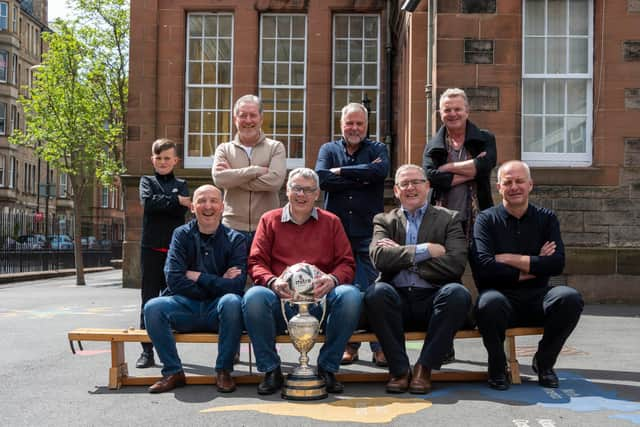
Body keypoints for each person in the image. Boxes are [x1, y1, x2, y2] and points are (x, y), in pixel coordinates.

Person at [242, 168, 361, 396]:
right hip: (281, 300)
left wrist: (332, 279)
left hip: (320, 302)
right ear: (286, 191)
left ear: (317, 194)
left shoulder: (332, 222)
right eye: (296, 188)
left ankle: (327, 368)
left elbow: (347, 263)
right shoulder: (270, 220)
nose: (301, 195)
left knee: (351, 296)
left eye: (308, 190)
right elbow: (256, 261)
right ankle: (270, 370)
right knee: (254, 297)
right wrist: (272, 281)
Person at [470, 160, 583, 390]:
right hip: (499, 297)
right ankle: (497, 365)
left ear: (530, 184)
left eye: (519, 181)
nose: (514, 187)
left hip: (538, 297)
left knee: (569, 298)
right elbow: (484, 267)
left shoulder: (546, 218)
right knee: (488, 303)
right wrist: (535, 263)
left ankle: (544, 362)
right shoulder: (485, 220)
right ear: (499, 187)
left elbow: (557, 263)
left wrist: (506, 258)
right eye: (508, 182)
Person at [364, 164, 470, 394]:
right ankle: (400, 370)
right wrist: (426, 250)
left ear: (428, 186)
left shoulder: (449, 219)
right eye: (404, 183)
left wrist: (401, 254)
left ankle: (424, 368)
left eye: (416, 182)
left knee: (457, 294)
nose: (410, 188)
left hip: (433, 298)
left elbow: (456, 263)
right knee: (376, 293)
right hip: (397, 299)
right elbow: (379, 259)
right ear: (396, 190)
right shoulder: (383, 220)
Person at [143, 185, 247, 393]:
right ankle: (173, 372)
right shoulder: (181, 235)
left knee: (232, 302)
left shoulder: (236, 240)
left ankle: (224, 370)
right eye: (201, 201)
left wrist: (198, 276)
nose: (207, 206)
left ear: (222, 207)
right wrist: (217, 282)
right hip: (185, 306)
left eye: (213, 201)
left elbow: (236, 285)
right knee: (153, 307)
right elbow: (173, 278)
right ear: (192, 207)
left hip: (217, 310)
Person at [315, 102, 390, 367]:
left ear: (367, 126)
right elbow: (321, 179)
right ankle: (349, 344)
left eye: (359, 123)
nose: (354, 128)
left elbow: (380, 171)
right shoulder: (328, 149)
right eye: (350, 123)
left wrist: (342, 172)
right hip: (337, 233)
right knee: (342, 290)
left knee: (373, 290)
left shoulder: (378, 149)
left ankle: (381, 346)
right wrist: (362, 177)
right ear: (341, 124)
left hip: (369, 232)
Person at [136, 138, 190, 369]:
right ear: (152, 159)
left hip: (175, 252)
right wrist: (176, 201)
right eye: (158, 158)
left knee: (171, 300)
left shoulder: (182, 182)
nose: (163, 162)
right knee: (148, 299)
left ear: (175, 160)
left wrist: (172, 202)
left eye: (167, 158)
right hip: (151, 250)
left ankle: (168, 349)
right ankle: (146, 351)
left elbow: (178, 209)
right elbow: (149, 204)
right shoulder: (146, 181)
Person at [212, 94, 287, 247]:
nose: (248, 120)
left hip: (267, 226)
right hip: (231, 227)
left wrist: (234, 178)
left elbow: (275, 182)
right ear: (235, 119)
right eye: (242, 115)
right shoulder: (224, 149)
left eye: (253, 115)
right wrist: (255, 170)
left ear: (261, 118)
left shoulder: (275, 147)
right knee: (234, 271)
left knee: (263, 271)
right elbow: (219, 179)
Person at [422, 88, 497, 239]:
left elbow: (486, 165)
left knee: (479, 261)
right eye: (447, 110)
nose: (453, 114)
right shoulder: (433, 145)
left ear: (467, 111)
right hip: (441, 219)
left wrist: (448, 168)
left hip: (479, 216)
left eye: (457, 109)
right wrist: (473, 171)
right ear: (440, 114)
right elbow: (431, 177)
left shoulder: (484, 138)